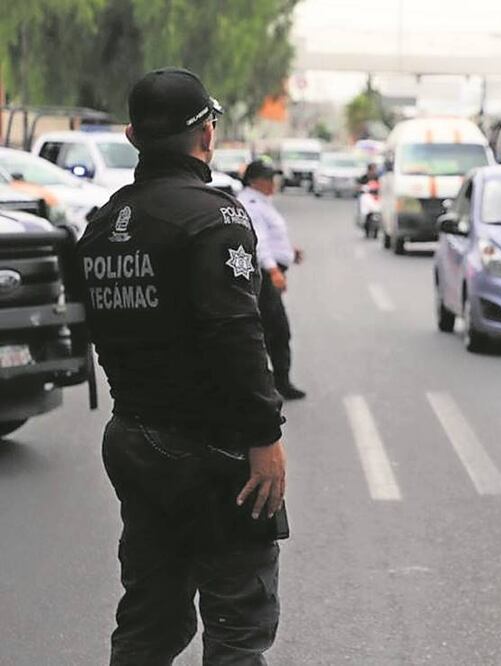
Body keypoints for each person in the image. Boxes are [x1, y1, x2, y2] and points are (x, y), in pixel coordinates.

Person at [76, 68, 287, 665]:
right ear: (207, 134)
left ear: (132, 136)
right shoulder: (216, 218)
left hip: (133, 436)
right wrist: (264, 436)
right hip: (213, 448)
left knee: (150, 619)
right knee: (238, 622)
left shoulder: (101, 226)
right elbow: (236, 333)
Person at [238, 160, 306, 400]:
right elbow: (259, 242)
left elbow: (272, 237)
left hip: (268, 273)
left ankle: (274, 383)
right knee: (276, 330)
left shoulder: (261, 202)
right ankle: (273, 385)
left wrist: (288, 251)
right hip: (264, 276)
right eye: (268, 178)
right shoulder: (252, 204)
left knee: (272, 329)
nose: (272, 183)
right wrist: (273, 270)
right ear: (255, 181)